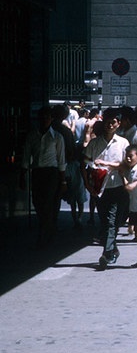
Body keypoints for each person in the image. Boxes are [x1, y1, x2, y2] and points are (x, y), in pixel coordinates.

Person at [83, 111, 130, 267]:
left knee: (113, 221)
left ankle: (106, 254)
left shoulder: (123, 143)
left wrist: (108, 164)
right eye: (108, 122)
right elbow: (84, 164)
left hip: (117, 187)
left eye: (113, 122)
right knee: (105, 221)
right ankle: (112, 250)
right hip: (99, 189)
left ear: (118, 124)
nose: (110, 125)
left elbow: (127, 164)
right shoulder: (94, 144)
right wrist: (87, 184)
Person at [22, 105, 67, 248]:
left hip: (51, 173)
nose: (45, 120)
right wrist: (22, 175)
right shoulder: (32, 135)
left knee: (48, 203)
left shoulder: (57, 137)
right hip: (37, 172)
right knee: (37, 202)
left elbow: (61, 159)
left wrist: (63, 180)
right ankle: (49, 227)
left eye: (48, 117)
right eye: (43, 117)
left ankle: (44, 233)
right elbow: (26, 156)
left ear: (52, 119)